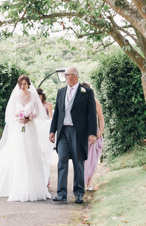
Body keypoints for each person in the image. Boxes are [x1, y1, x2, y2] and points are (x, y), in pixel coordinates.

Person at [0, 75, 51, 202]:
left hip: (30, 128)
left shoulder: (33, 96)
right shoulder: (15, 96)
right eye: (20, 84)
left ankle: (33, 188)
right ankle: (15, 187)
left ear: (29, 84)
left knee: (30, 154)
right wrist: (18, 118)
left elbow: (39, 112)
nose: (22, 87)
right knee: (18, 154)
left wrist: (30, 117)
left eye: (24, 84)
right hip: (18, 128)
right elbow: (10, 113)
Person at [49, 66, 97, 204]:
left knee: (78, 163)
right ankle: (61, 194)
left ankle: (79, 193)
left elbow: (92, 115)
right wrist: (52, 131)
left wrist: (92, 133)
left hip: (78, 132)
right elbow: (57, 113)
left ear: (75, 76)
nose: (64, 77)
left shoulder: (86, 92)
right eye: (64, 75)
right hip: (63, 132)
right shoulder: (61, 92)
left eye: (67, 75)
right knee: (62, 161)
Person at [80, 82, 104, 191]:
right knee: (83, 159)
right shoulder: (78, 102)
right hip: (82, 134)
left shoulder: (95, 102)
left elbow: (101, 117)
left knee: (93, 159)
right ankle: (81, 181)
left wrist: (101, 131)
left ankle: (89, 181)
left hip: (94, 133)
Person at [37, 88, 54, 188]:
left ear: (42, 96)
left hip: (44, 130)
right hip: (36, 130)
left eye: (39, 96)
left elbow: (50, 117)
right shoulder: (34, 105)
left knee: (45, 156)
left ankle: (47, 179)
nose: (38, 98)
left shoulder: (48, 104)